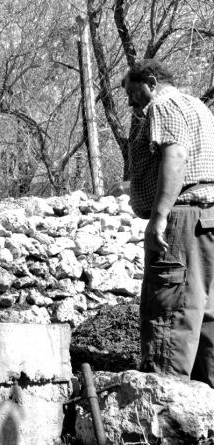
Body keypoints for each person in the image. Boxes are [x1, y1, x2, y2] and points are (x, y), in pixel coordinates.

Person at [124, 58, 214, 387]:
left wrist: (159, 217)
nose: (131, 102)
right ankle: (206, 401)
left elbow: (176, 155)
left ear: (150, 81)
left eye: (134, 92)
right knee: (205, 311)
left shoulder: (163, 106)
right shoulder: (199, 107)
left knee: (170, 306)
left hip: (182, 217)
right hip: (208, 215)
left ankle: (167, 402)